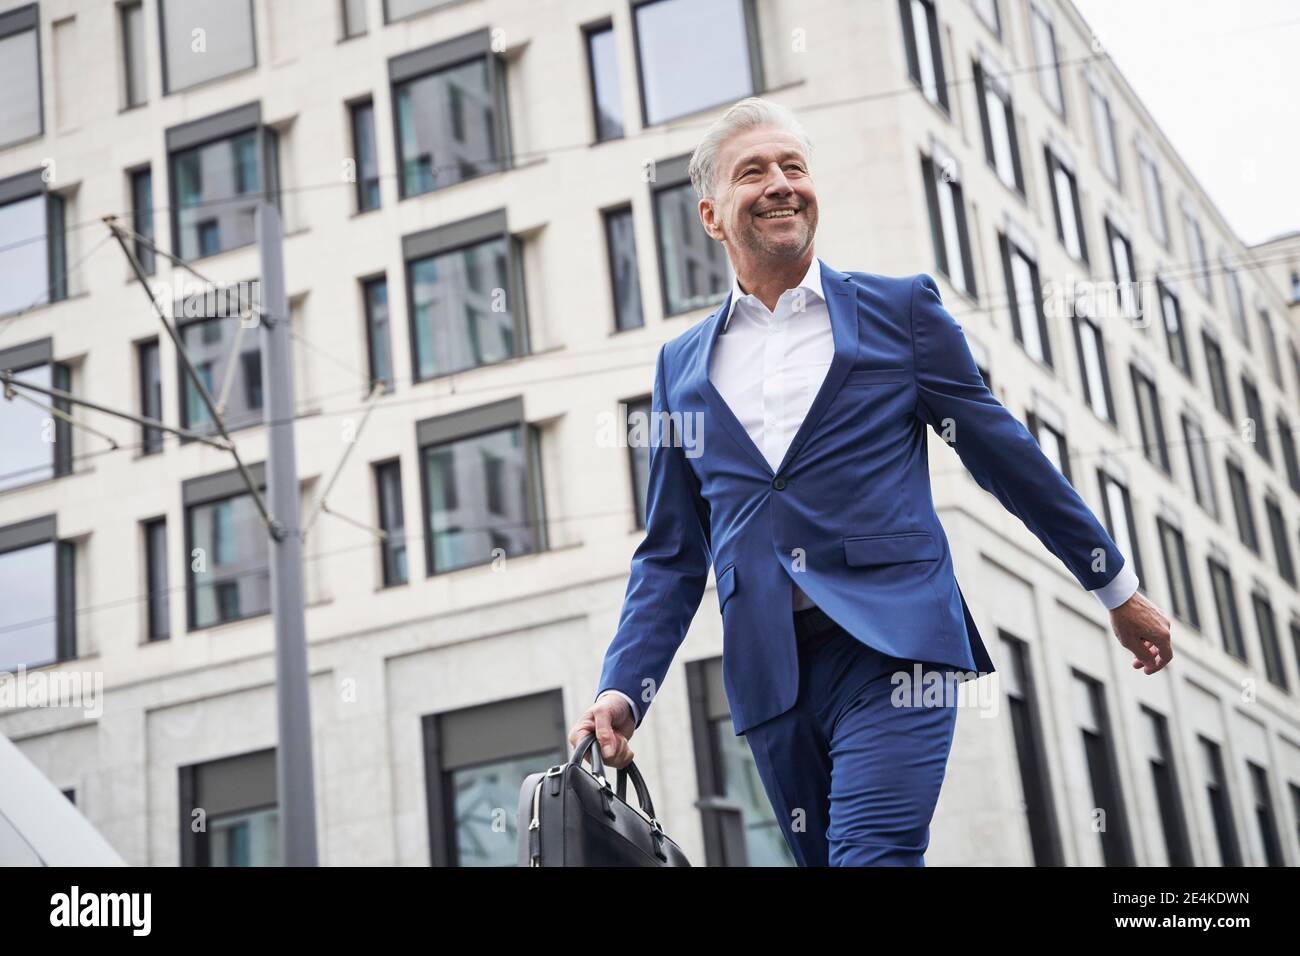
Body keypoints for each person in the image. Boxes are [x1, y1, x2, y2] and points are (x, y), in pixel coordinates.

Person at [568, 97, 1172, 866]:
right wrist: (624, 688)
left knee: (871, 854)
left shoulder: (900, 312)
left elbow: (1006, 458)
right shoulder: (679, 367)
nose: (782, 184)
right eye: (754, 172)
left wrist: (1116, 589)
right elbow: (672, 553)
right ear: (712, 216)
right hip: (771, 674)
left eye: (795, 167)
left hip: (896, 646)